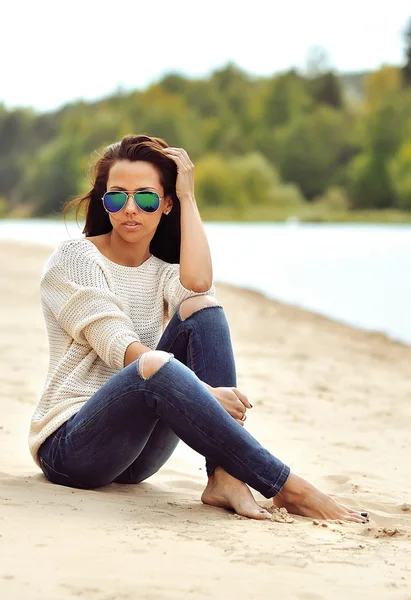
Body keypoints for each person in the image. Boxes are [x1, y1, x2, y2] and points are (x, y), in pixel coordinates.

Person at [29, 134, 369, 523]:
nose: (130, 209)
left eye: (146, 197)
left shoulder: (162, 271)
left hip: (136, 460)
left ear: (166, 203)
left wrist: (189, 198)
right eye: (116, 196)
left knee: (203, 309)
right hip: (72, 450)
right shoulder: (74, 258)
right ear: (102, 201)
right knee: (153, 364)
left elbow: (199, 286)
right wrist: (203, 392)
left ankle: (224, 477)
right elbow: (116, 343)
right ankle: (291, 488)